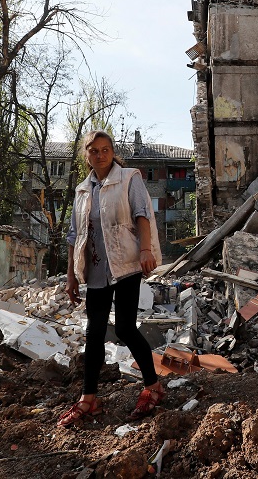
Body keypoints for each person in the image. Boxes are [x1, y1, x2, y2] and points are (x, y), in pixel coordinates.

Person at [57, 129, 165, 427]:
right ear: (86, 155)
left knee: (126, 328)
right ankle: (88, 398)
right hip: (96, 269)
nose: (100, 155)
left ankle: (153, 386)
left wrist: (146, 250)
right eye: (94, 150)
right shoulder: (82, 190)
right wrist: (71, 275)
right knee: (93, 332)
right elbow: (74, 235)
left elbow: (142, 214)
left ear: (113, 152)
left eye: (105, 149)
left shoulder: (129, 178)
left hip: (126, 262)